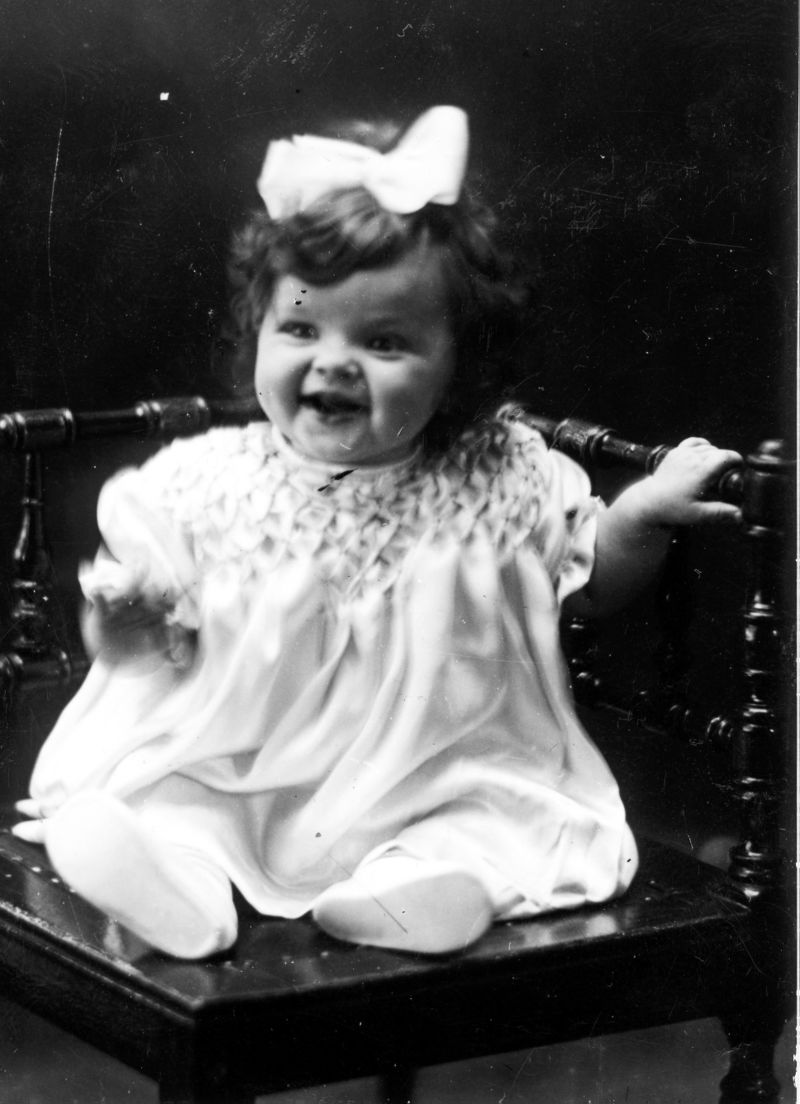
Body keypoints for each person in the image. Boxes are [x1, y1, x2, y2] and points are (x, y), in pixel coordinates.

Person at [13, 106, 741, 960]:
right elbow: (139, 649)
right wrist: (124, 622)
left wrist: (642, 513)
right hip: (244, 775)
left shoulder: (498, 475)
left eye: (383, 341)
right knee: (180, 805)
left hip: (435, 777)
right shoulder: (206, 486)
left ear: (459, 366)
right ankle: (180, 891)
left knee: (492, 819)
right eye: (299, 327)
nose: (332, 361)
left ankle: (411, 894)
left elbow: (591, 583)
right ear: (257, 331)